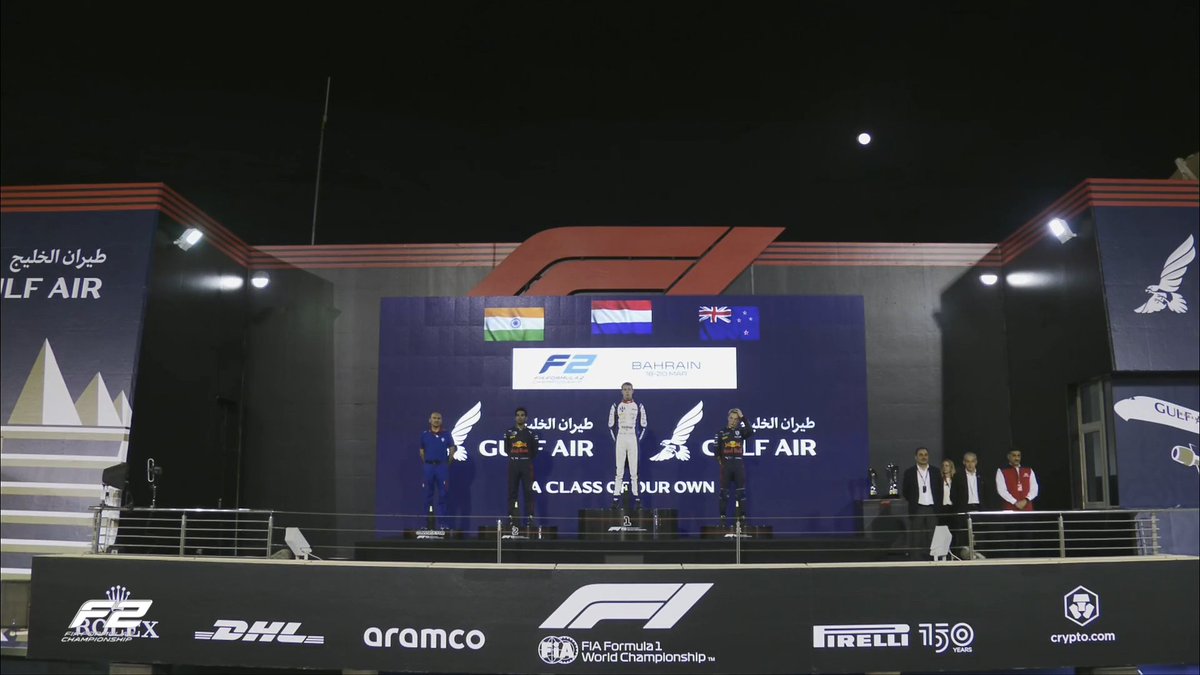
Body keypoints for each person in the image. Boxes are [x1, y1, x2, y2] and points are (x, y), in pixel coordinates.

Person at [608, 382, 648, 509]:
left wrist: (636, 439)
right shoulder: (616, 406)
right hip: (621, 437)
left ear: (633, 391)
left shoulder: (639, 406)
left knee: (633, 471)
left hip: (632, 438)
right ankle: (615, 499)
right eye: (624, 389)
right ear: (621, 391)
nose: (627, 392)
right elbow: (611, 426)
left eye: (629, 389)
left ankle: (637, 499)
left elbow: (644, 425)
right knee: (619, 471)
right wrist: (617, 439)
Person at [713, 408, 754, 528]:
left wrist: (743, 417)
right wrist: (723, 463)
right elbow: (716, 452)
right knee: (724, 494)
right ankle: (722, 520)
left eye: (736, 419)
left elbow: (750, 431)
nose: (733, 421)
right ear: (728, 418)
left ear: (738, 421)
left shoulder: (740, 431)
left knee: (741, 493)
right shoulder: (721, 432)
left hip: (738, 465)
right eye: (731, 418)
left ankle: (743, 520)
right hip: (726, 466)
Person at [503, 407, 541, 528]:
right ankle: (512, 518)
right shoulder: (509, 432)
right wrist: (516, 456)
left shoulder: (531, 433)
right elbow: (506, 449)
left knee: (529, 492)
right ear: (515, 417)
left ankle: (530, 518)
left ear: (526, 418)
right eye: (518, 415)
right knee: (512, 492)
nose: (520, 417)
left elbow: (535, 451)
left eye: (522, 415)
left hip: (526, 464)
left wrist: (525, 458)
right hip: (514, 464)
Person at [419, 411, 456, 530]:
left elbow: (452, 450)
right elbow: (422, 452)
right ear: (430, 420)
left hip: (442, 467)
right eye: (434, 418)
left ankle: (442, 524)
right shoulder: (424, 435)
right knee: (427, 495)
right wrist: (428, 463)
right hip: (429, 467)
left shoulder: (447, 434)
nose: (436, 420)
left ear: (441, 420)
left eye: (439, 418)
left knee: (443, 495)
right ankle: (426, 525)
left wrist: (446, 463)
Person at [901, 447, 938, 559]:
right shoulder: (909, 472)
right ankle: (916, 559)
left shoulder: (935, 471)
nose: (923, 457)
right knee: (916, 536)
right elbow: (905, 491)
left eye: (925, 455)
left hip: (932, 508)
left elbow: (939, 490)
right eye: (921, 455)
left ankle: (933, 559)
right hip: (917, 507)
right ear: (915, 457)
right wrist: (914, 501)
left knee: (933, 535)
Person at [952, 451, 988, 557]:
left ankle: (980, 556)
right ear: (964, 462)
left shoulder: (982, 475)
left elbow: (987, 493)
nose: (970, 464)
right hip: (964, 509)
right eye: (967, 461)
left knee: (979, 535)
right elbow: (953, 494)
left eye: (972, 461)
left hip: (979, 508)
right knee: (964, 536)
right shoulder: (958, 476)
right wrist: (959, 507)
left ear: (976, 462)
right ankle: (964, 557)